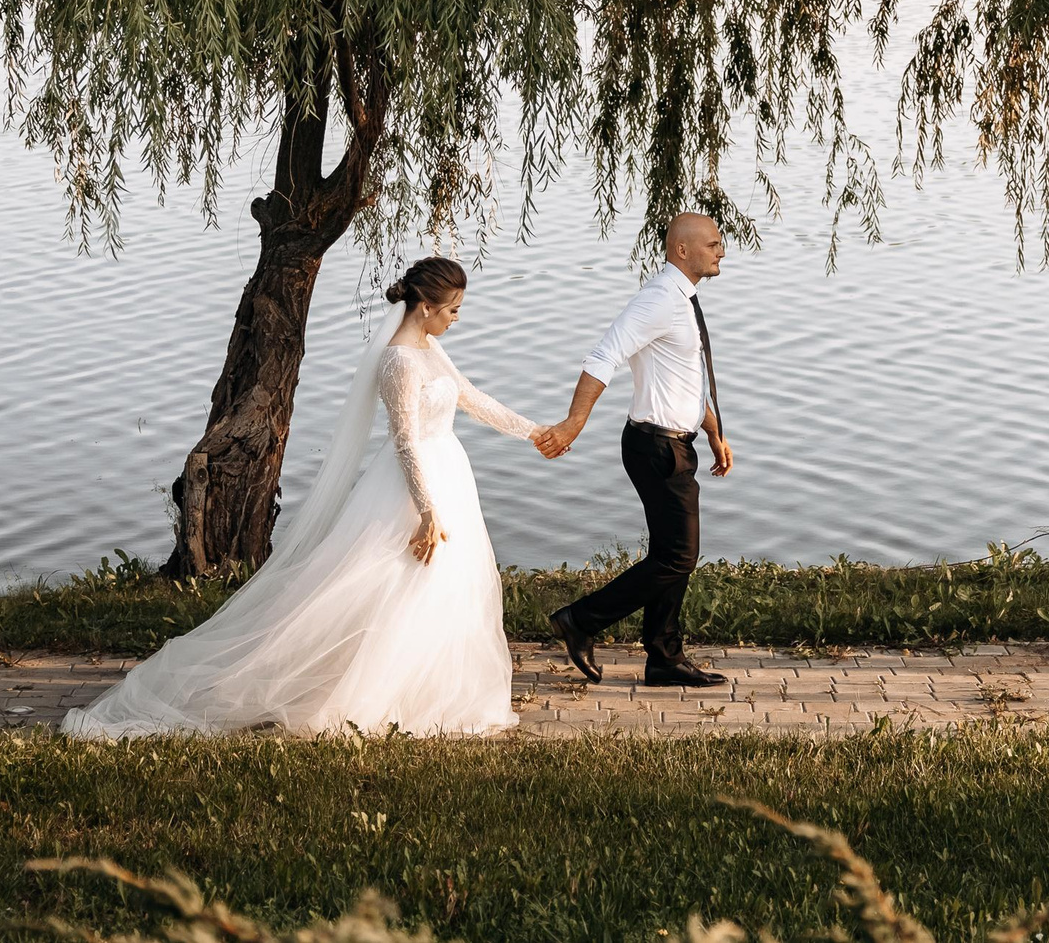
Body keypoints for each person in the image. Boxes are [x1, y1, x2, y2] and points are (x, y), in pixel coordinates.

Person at [62, 256, 559, 738]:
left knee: (443, 586)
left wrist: (534, 432)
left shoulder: (432, 350)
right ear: (426, 306)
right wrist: (427, 511)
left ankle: (434, 688)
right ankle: (372, 692)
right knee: (389, 582)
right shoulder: (400, 362)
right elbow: (405, 439)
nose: (456, 320)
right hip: (414, 484)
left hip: (448, 474)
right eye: (453, 310)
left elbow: (472, 397)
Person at [535, 212, 735, 688]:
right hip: (655, 447)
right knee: (678, 557)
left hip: (674, 443)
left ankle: (664, 658)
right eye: (712, 243)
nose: (722, 250)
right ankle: (581, 620)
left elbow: (686, 383)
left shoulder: (682, 299)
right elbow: (603, 356)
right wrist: (573, 423)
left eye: (720, 242)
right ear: (681, 250)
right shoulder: (658, 301)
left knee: (673, 554)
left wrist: (712, 432)